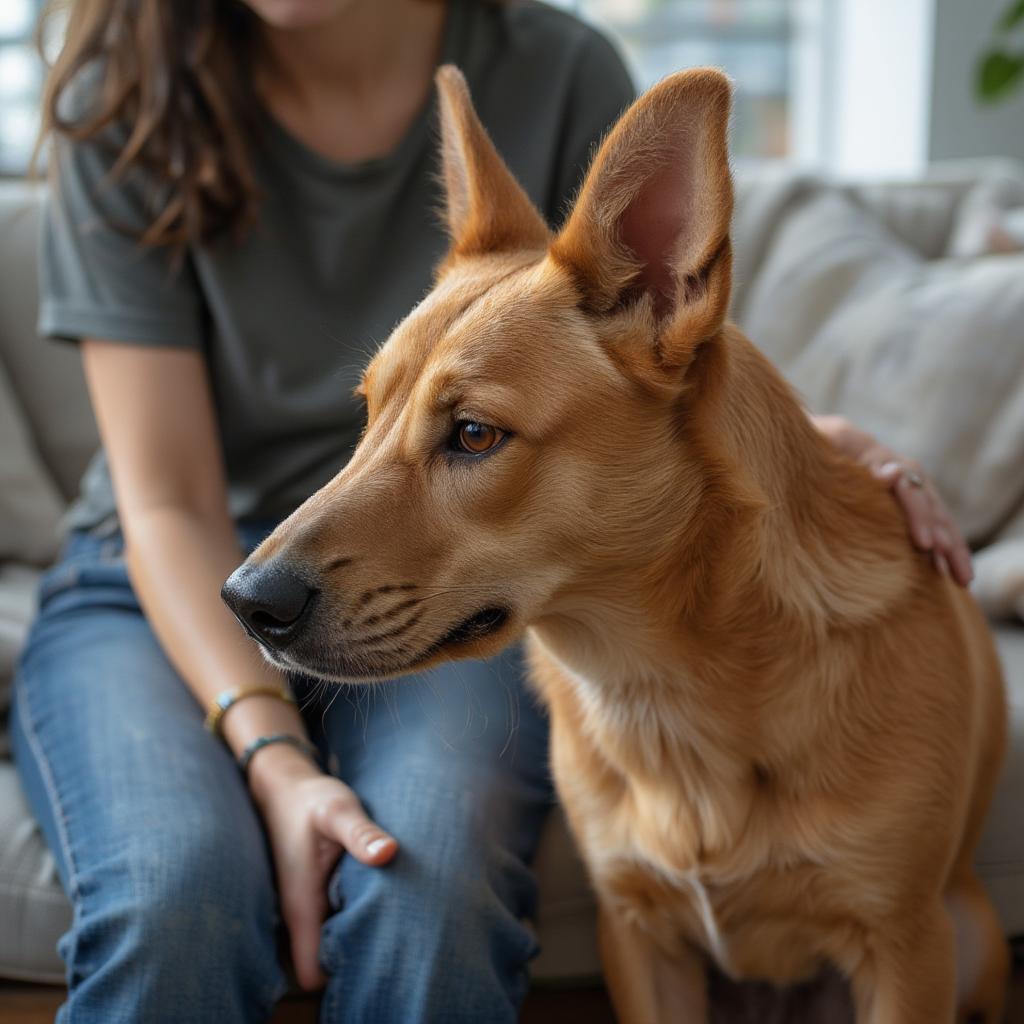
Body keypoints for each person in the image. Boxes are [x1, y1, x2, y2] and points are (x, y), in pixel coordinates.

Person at [11, 0, 974, 1021]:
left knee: (428, 892)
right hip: (155, 571)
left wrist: (810, 452)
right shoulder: (122, 99)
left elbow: (665, 367)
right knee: (177, 900)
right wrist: (276, 756)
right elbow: (166, 499)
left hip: (453, 585)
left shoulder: (554, 66)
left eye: (467, 435)